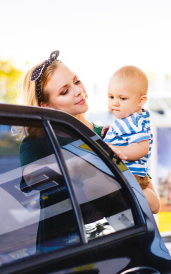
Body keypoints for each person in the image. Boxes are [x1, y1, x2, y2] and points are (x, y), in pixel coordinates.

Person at [17, 52, 160, 215]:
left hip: (112, 236)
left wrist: (111, 185)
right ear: (46, 106)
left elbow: (154, 205)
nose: (78, 90)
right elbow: (32, 178)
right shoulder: (36, 143)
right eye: (65, 91)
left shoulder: (110, 136)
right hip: (63, 240)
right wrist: (82, 163)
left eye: (77, 81)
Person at [103, 65, 157, 207]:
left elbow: (142, 147)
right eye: (111, 97)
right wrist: (112, 131)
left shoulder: (133, 121)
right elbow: (129, 135)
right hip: (129, 173)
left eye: (122, 98)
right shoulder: (130, 119)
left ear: (140, 101)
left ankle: (150, 199)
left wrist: (116, 150)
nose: (115, 102)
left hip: (130, 174)